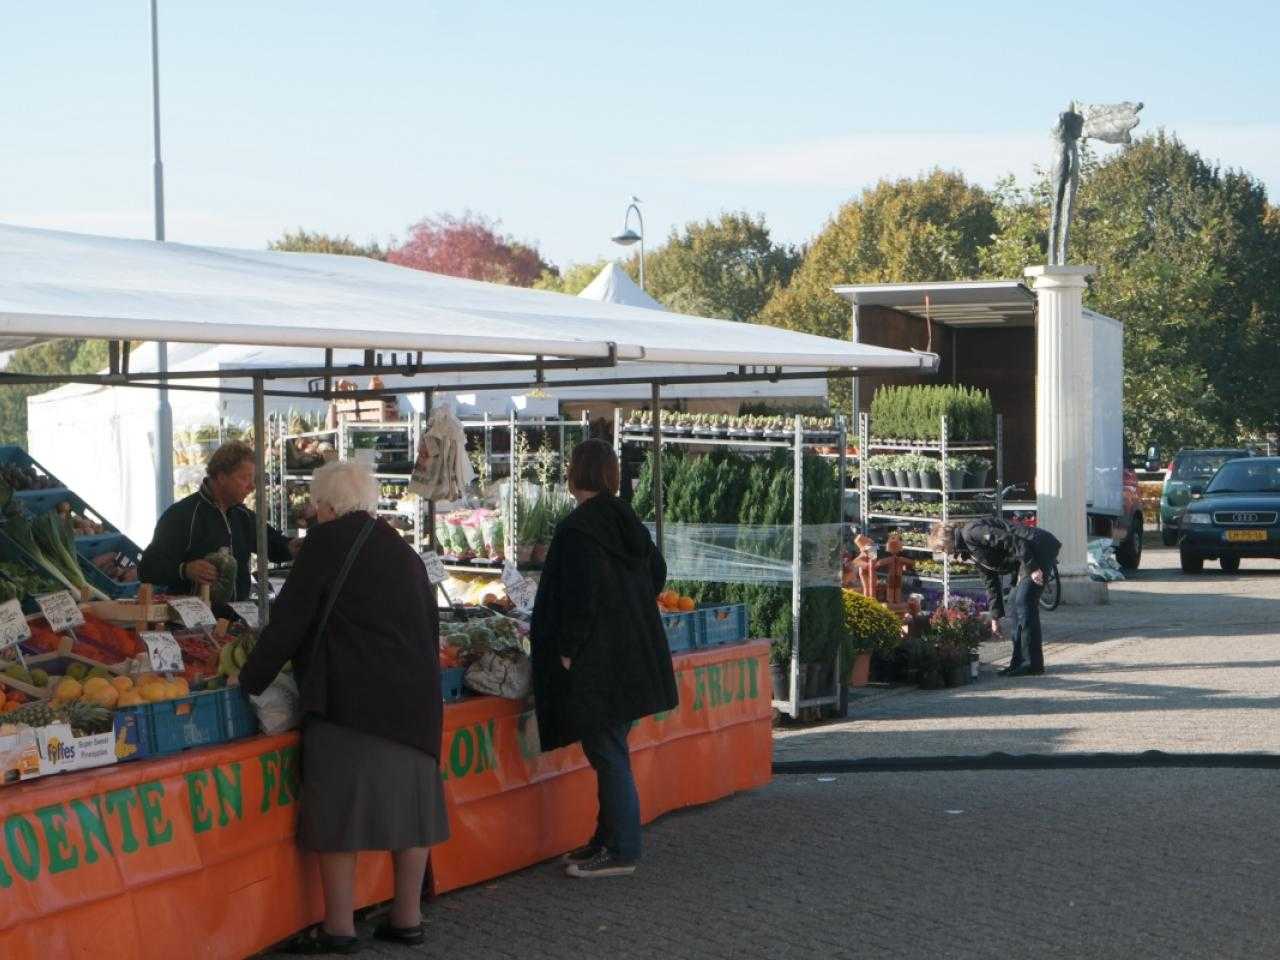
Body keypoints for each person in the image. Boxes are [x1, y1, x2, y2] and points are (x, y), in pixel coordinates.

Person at [235, 460, 448, 954]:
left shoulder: (325, 544)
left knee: (338, 816)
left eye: (314, 504)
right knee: (411, 813)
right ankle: (406, 917)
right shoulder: (402, 549)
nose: (312, 513)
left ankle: (338, 928)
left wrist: (249, 680)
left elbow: (289, 623)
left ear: (327, 504)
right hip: (415, 702)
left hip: (350, 700)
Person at [530, 439, 677, 879]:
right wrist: (628, 606)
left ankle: (621, 850)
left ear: (576, 474)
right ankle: (605, 839)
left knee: (607, 755)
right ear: (611, 474)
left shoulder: (579, 530)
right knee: (611, 751)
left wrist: (568, 652)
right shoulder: (625, 519)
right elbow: (657, 573)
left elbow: (580, 598)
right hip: (632, 656)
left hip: (598, 662)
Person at [139, 440, 298, 602]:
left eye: (253, 479)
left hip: (238, 619)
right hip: (194, 621)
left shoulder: (243, 516)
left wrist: (296, 546)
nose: (252, 486)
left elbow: (274, 546)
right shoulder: (182, 515)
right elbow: (147, 568)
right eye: (244, 478)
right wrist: (185, 569)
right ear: (221, 477)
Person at [929, 517, 1061, 677]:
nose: (946, 553)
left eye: (943, 549)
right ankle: (1018, 662)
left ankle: (1033, 664)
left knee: (1024, 602)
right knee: (1014, 603)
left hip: (1037, 548)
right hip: (1025, 556)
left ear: (947, 540)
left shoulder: (972, 532)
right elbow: (990, 580)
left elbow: (1010, 540)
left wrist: (1032, 567)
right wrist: (995, 617)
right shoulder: (969, 548)